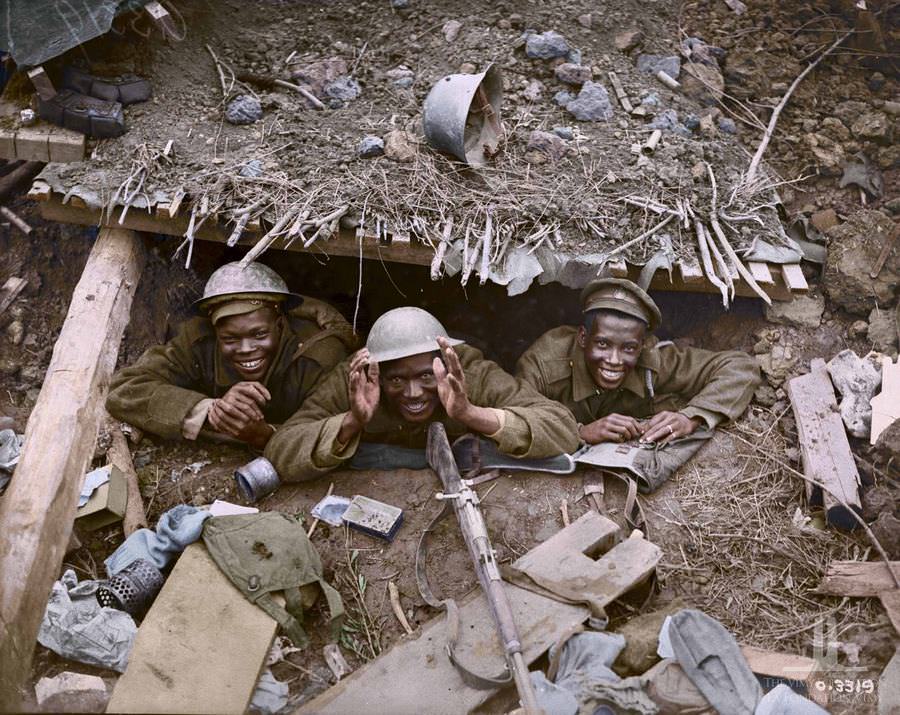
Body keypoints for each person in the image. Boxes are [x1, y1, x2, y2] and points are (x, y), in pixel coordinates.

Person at [265, 306, 580, 481]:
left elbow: (562, 428)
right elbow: (279, 451)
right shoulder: (359, 375)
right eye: (397, 380)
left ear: (443, 362)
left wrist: (470, 413)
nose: (413, 393)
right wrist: (352, 420)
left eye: (426, 375)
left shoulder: (468, 372)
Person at [516, 278, 761, 491]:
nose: (614, 360)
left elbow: (741, 368)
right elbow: (516, 417)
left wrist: (691, 418)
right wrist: (580, 432)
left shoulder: (652, 358)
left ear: (642, 345)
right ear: (583, 337)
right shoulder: (544, 364)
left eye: (628, 348)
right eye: (602, 344)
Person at [107, 262, 355, 450]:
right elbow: (125, 389)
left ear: (280, 324)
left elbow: (333, 431)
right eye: (230, 339)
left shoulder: (320, 357)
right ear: (215, 332)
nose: (246, 348)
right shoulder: (198, 340)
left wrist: (264, 434)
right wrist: (209, 410)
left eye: (259, 334)